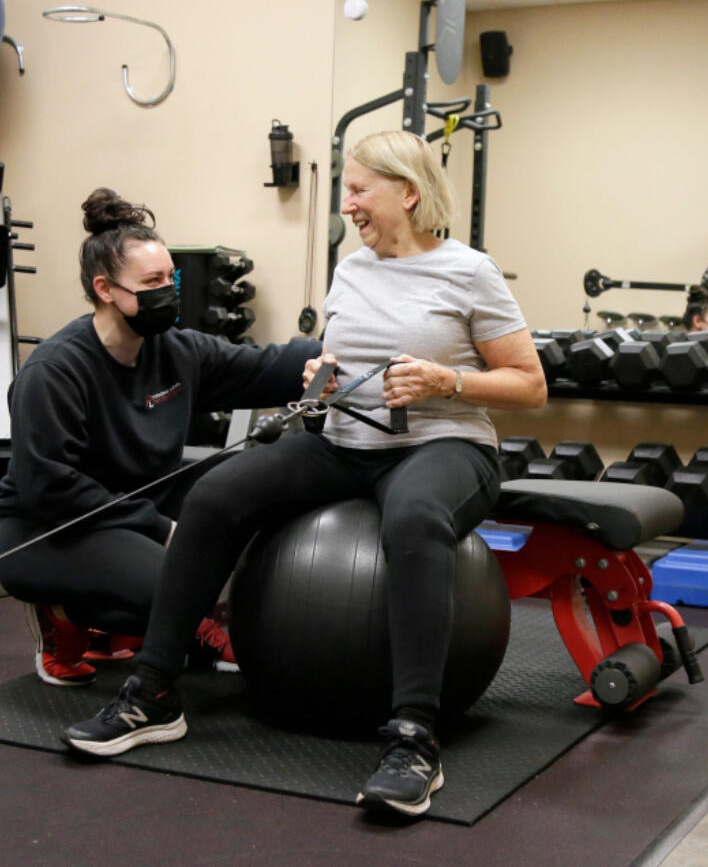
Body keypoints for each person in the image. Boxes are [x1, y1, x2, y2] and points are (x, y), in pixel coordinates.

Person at [64, 131, 547, 817]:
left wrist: (448, 379)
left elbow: (530, 385)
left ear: (407, 193)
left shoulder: (469, 272)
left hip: (445, 446)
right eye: (347, 191)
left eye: (358, 190)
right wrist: (323, 376)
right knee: (216, 492)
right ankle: (153, 690)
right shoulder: (351, 270)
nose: (348, 204)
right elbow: (337, 360)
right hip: (347, 441)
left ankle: (414, 737)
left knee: (412, 517)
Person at [0, 188, 321, 687]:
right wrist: (162, 529)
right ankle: (62, 613)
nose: (168, 290)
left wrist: (346, 347)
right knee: (176, 585)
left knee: (247, 483)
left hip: (138, 503)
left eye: (172, 277)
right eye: (152, 281)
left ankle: (121, 627)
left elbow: (266, 366)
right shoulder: (55, 372)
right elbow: (50, 487)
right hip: (51, 528)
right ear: (106, 290)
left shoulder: (174, 350)